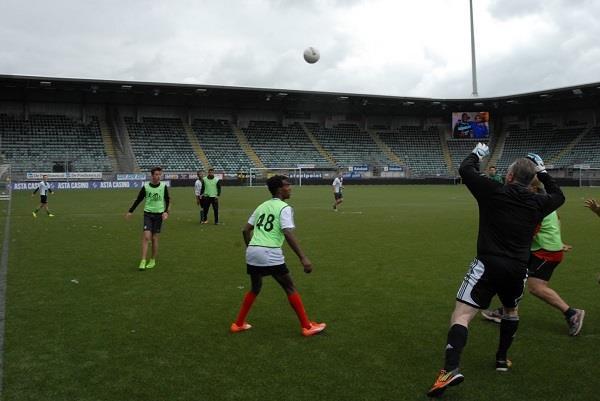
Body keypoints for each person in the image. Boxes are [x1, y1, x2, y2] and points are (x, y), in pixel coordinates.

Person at [427, 145, 565, 398]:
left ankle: (450, 369)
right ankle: (501, 359)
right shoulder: (539, 202)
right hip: (518, 268)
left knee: (462, 314)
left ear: (509, 176)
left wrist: (477, 153)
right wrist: (543, 172)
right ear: (530, 180)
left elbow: (465, 169)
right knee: (511, 310)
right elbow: (559, 195)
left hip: (488, 264)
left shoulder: (493, 191)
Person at [481, 176, 584, 336]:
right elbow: (557, 219)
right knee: (514, 278)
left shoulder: (535, 204)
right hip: (542, 249)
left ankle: (572, 313)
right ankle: (506, 310)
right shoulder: (544, 201)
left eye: (525, 187)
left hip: (545, 252)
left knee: (536, 288)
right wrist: (558, 240)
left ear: (534, 189)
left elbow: (529, 231)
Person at [230, 175, 326, 337]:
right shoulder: (284, 207)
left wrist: (252, 248)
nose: (290, 187)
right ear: (279, 189)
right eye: (287, 185)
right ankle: (307, 327)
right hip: (269, 252)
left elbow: (245, 230)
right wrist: (303, 258)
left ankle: (238, 324)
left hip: (253, 251)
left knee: (255, 287)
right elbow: (287, 232)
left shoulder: (261, 206)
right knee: (289, 287)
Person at [125, 167, 170, 270]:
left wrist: (166, 212)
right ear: (152, 175)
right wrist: (130, 211)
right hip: (148, 214)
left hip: (159, 215)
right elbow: (139, 200)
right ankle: (143, 260)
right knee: (146, 237)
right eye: (156, 174)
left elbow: (167, 200)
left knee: (154, 238)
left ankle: (153, 259)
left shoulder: (163, 186)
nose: (158, 176)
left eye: (160, 174)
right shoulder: (146, 187)